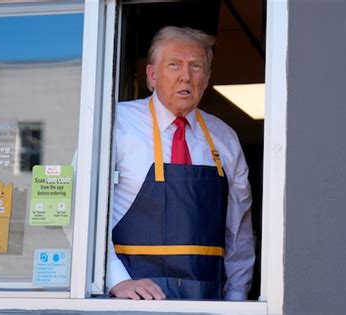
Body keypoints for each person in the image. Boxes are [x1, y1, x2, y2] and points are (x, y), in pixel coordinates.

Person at [107, 26, 255, 301]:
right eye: (174, 65)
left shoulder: (225, 137)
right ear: (152, 75)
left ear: (207, 78)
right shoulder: (115, 123)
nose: (185, 76)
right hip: (133, 303)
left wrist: (236, 299)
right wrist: (116, 280)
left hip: (207, 302)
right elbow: (81, 215)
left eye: (196, 66)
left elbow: (239, 233)